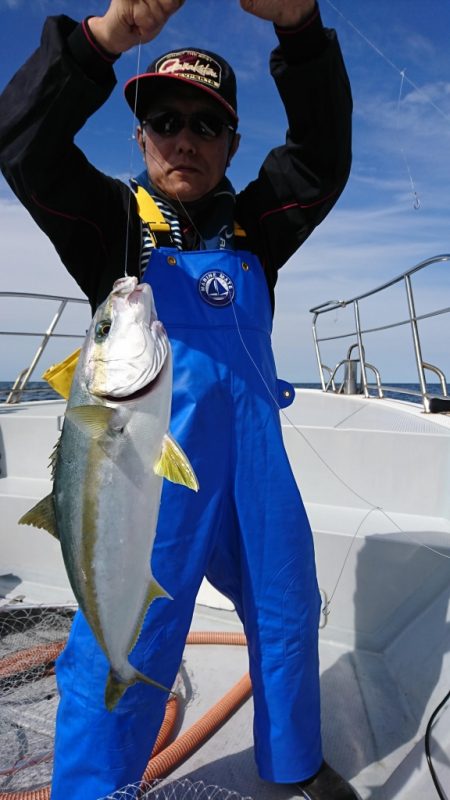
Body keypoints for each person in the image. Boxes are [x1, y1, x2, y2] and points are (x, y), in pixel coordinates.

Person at [0, 1, 355, 798]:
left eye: (206, 124)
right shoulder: (110, 222)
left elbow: (323, 155)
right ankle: (94, 787)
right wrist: (101, 41)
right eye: (165, 121)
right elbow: (21, 143)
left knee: (287, 608)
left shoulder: (258, 224)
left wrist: (300, 29)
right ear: (140, 137)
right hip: (144, 472)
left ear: (232, 143)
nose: (184, 139)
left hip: (254, 469)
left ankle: (294, 763)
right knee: (132, 629)